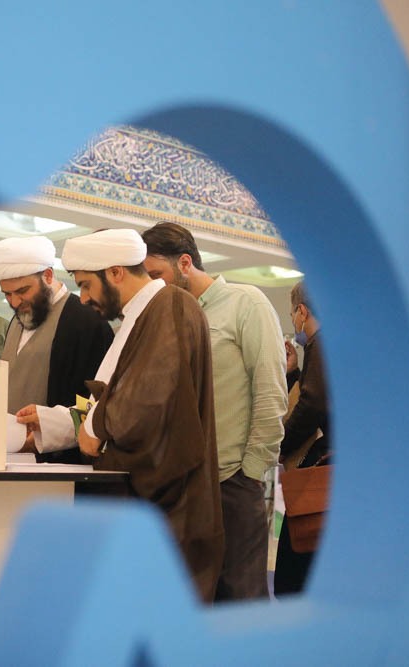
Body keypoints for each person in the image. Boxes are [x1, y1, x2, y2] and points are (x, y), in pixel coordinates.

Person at [60, 228, 224, 602]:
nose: (83, 298)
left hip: (171, 518)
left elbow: (147, 404)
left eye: (86, 285)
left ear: (116, 272)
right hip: (149, 517)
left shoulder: (171, 305)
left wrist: (95, 427)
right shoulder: (142, 315)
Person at [142, 222, 287, 601]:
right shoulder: (167, 317)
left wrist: (250, 472)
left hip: (232, 482)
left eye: (156, 274)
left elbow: (271, 392)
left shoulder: (246, 304)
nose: (153, 286)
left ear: (184, 263)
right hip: (183, 486)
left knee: (240, 603)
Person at [0, 236, 114, 462]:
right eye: (7, 294)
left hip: (62, 465)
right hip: (11, 460)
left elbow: (97, 406)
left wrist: (45, 434)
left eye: (23, 290)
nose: (15, 302)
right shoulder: (18, 320)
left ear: (48, 276)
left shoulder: (87, 321)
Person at [274, 280, 331, 595]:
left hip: (322, 465)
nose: (294, 322)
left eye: (292, 315)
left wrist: (281, 446)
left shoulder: (321, 344)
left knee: (295, 558)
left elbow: (313, 404)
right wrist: (294, 373)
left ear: (302, 311)